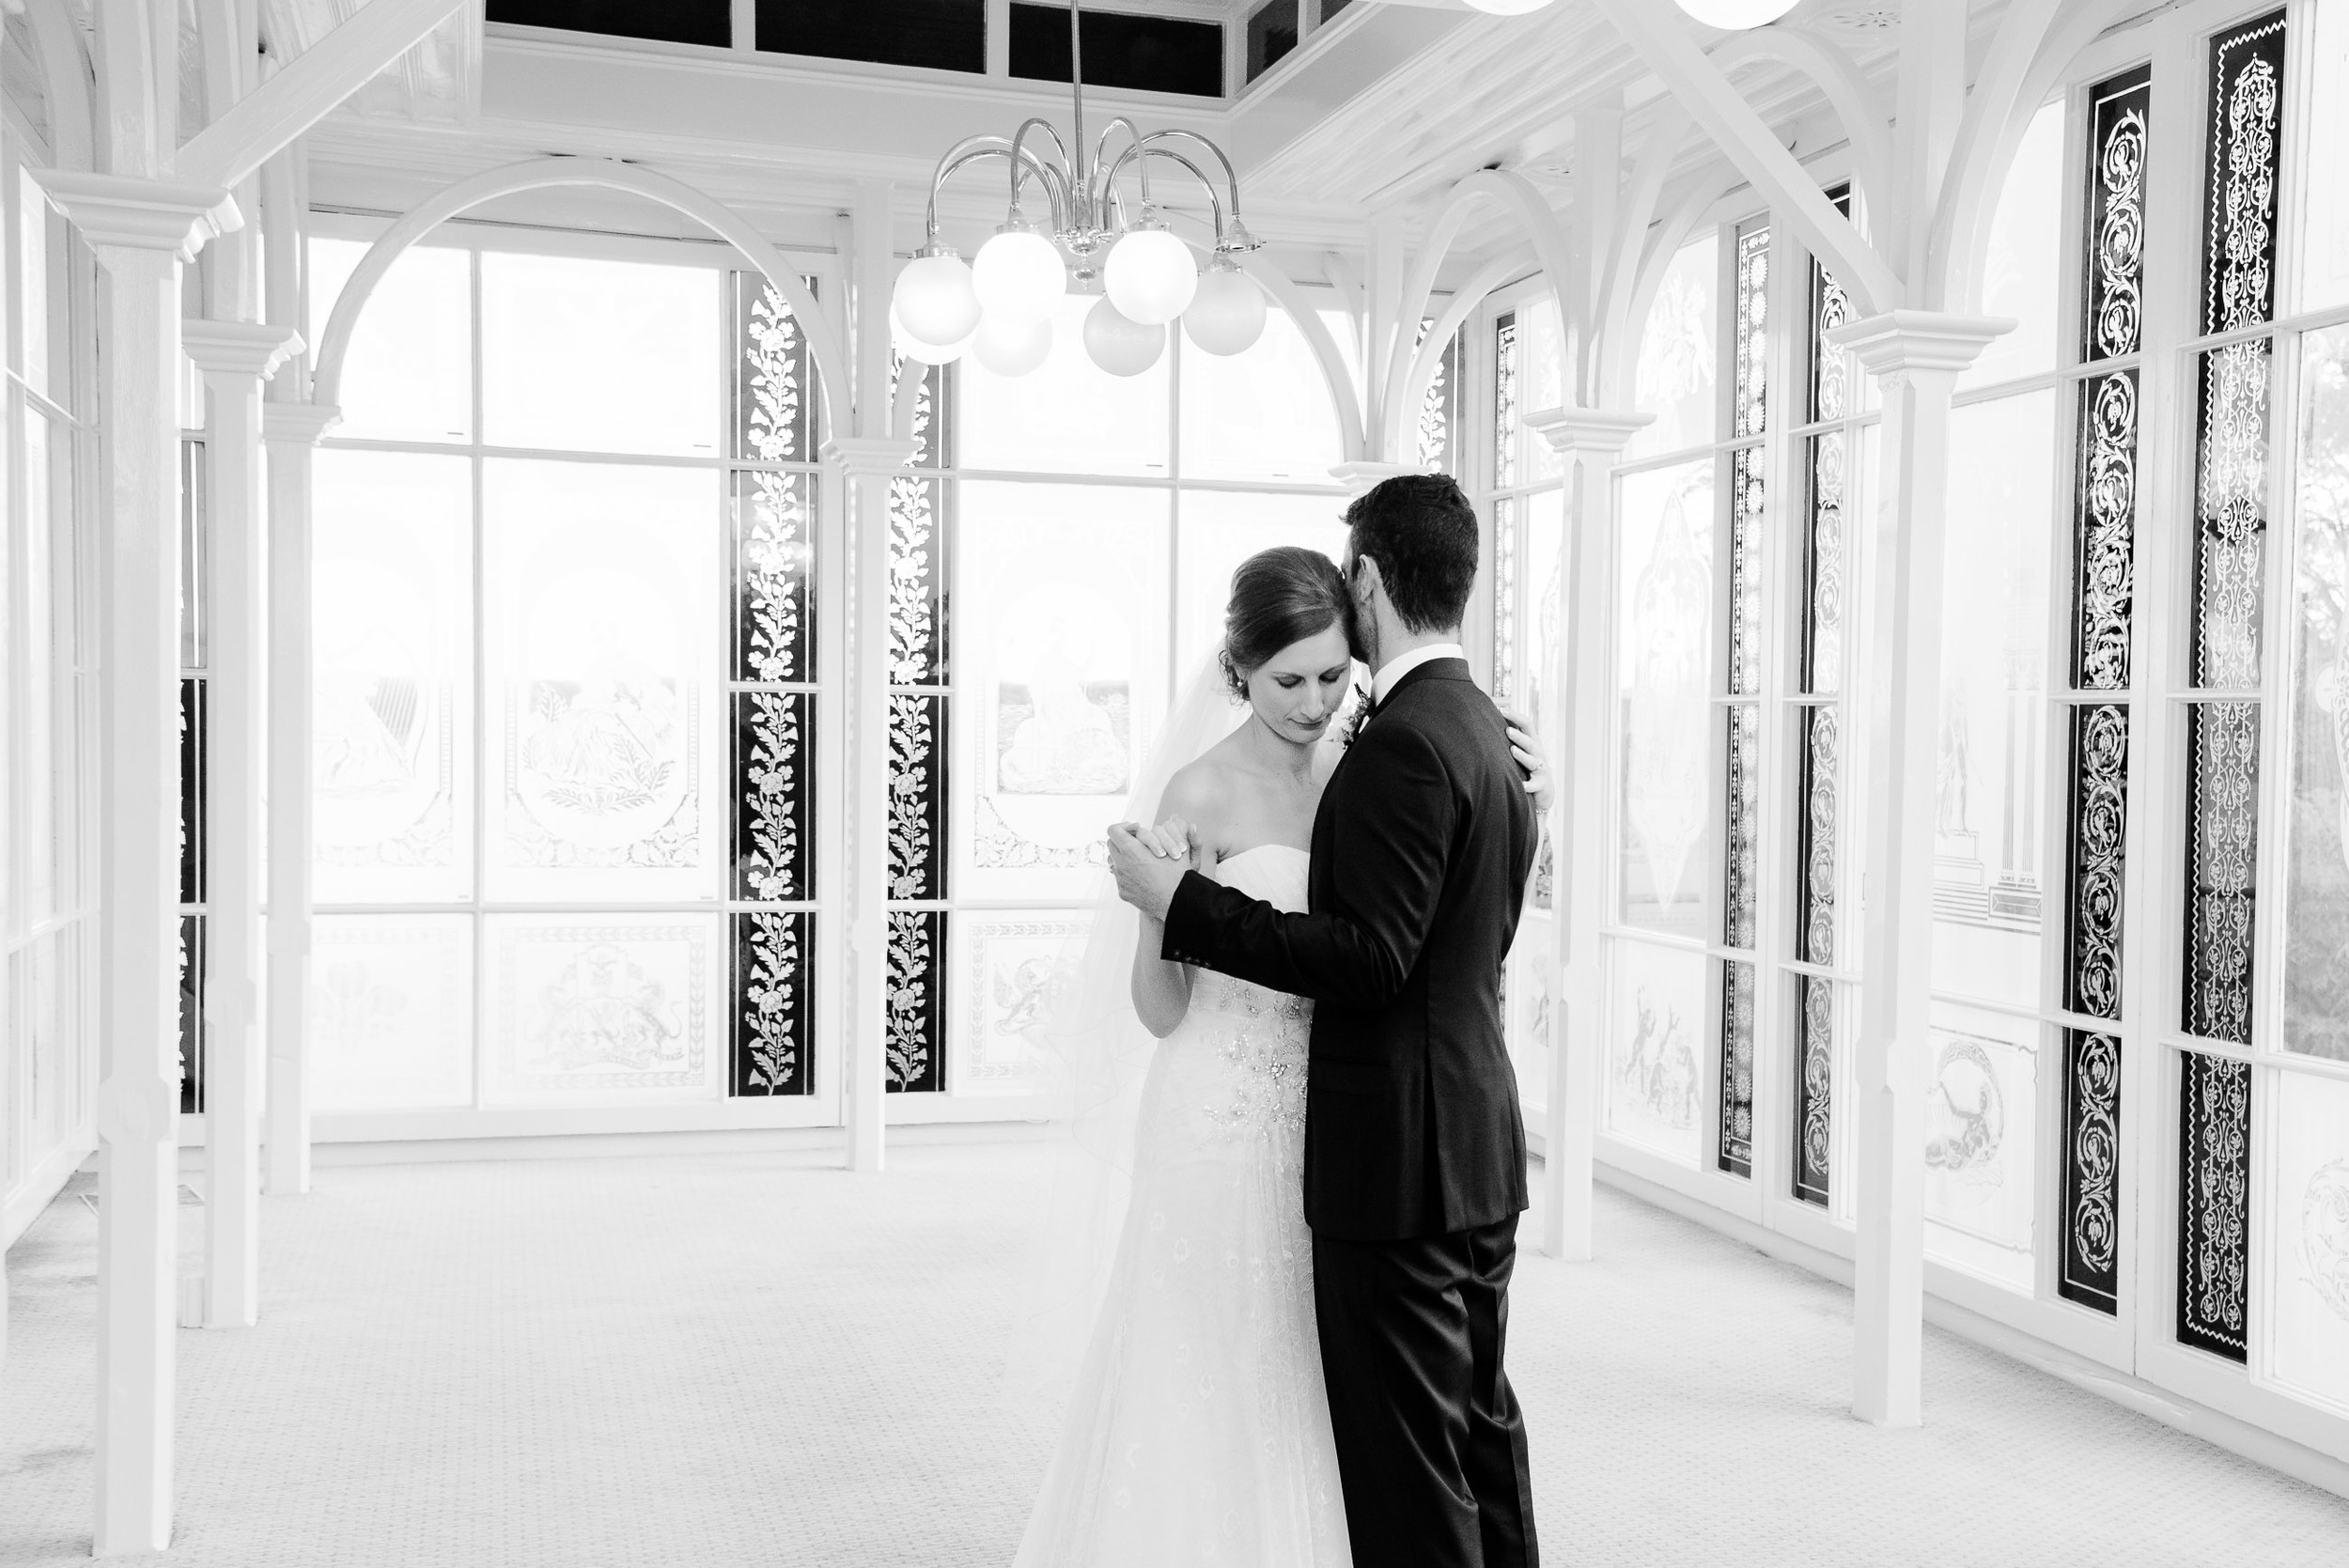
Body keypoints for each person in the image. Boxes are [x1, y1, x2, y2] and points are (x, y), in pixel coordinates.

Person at [1013, 536, 1549, 1567]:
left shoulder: (1373, 769)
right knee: (1205, 1360)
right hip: (1215, 1113)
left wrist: (1534, 804)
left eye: (1333, 676)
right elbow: (1162, 1009)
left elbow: (1412, 938)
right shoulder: (1199, 792)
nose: (1312, 701)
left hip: (1340, 1115)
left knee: (1328, 1377)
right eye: (1286, 680)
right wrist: (1154, 912)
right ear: (1236, 673)